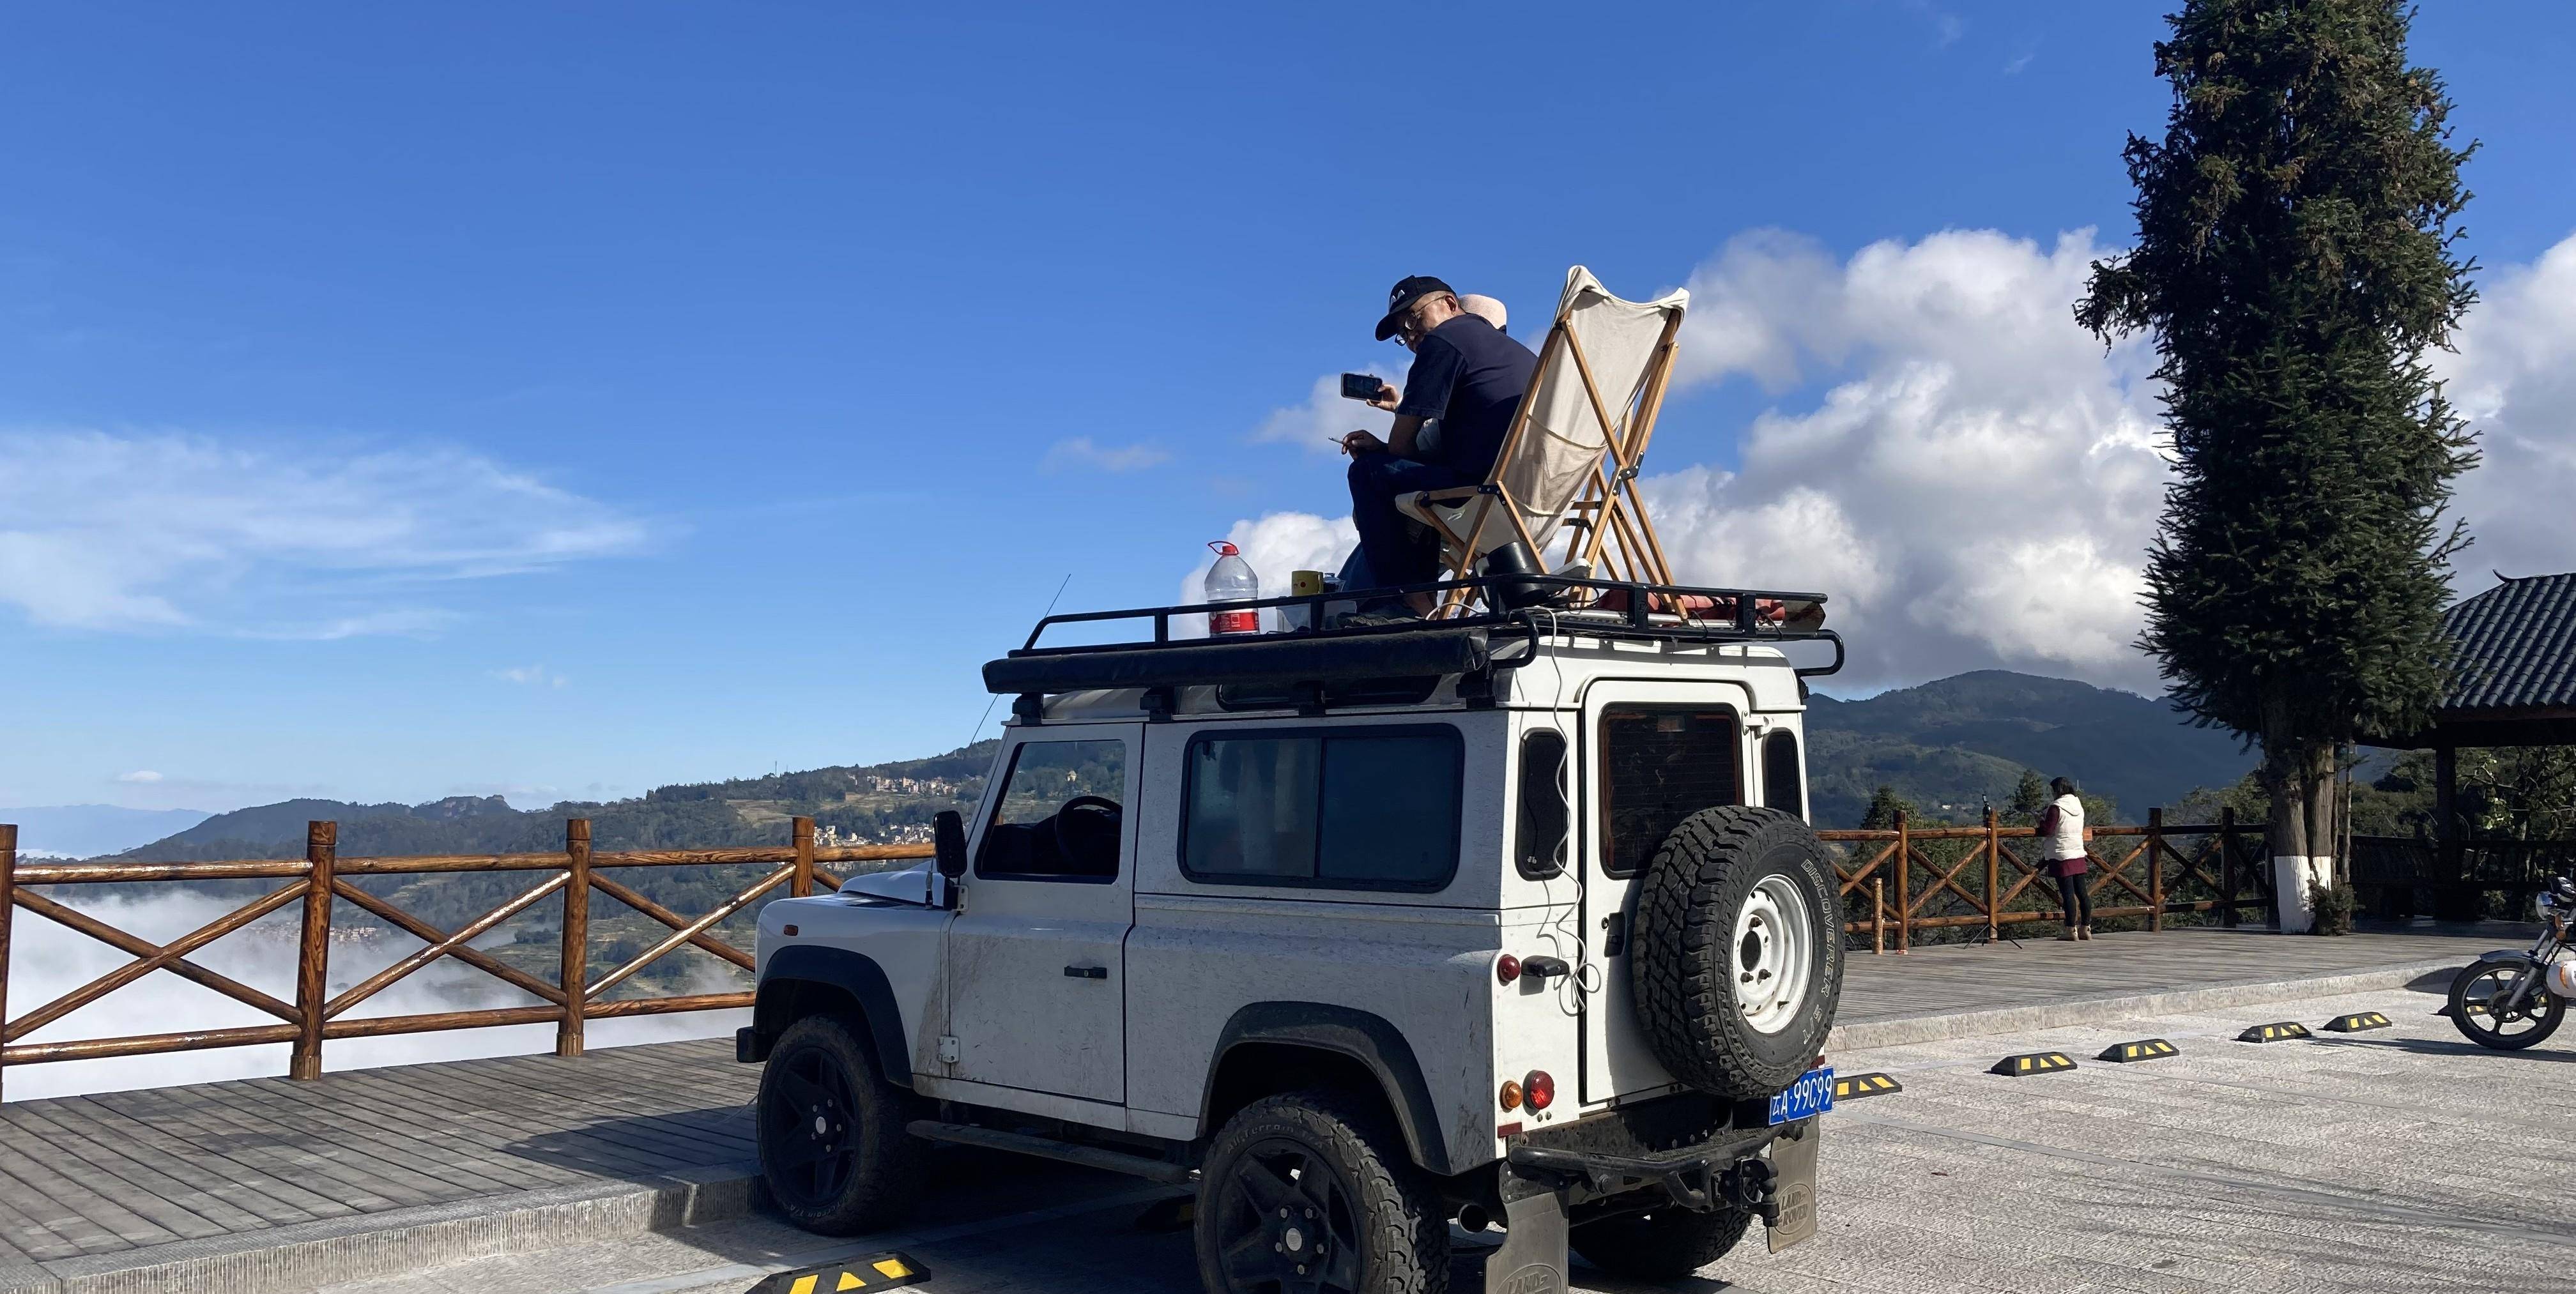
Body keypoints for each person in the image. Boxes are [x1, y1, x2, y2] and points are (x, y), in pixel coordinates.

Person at [1337, 275, 1538, 620]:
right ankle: (1418, 600)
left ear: (1448, 304)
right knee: (1411, 483)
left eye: (1414, 319)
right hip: (1531, 488)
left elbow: (1402, 447)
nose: (1412, 336)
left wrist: (1380, 451)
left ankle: (1402, 603)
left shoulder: (1445, 340)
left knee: (1367, 471)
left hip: (1482, 489)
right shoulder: (1510, 350)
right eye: (1404, 333)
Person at [2037, 777, 2092, 941]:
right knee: (2082, 893)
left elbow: (2047, 830)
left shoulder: (2056, 808)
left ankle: (2070, 930)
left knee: (2067, 894)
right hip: (2077, 851)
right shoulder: (2078, 805)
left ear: (2058, 790)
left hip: (2062, 853)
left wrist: (2040, 820)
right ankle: (2086, 928)